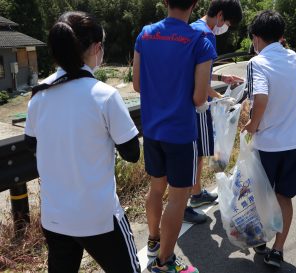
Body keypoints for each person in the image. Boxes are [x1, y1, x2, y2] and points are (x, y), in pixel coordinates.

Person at [24, 11, 141, 273]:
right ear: (97, 48)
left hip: (55, 217)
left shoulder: (39, 95)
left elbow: (31, 144)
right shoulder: (105, 96)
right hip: (99, 218)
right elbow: (131, 153)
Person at [132, 0, 216, 272]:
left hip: (153, 130)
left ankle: (154, 242)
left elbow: (137, 84)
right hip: (181, 132)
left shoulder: (145, 34)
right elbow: (199, 97)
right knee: (178, 198)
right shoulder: (200, 41)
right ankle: (165, 262)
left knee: (156, 189)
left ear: (166, 1)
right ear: (195, 3)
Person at [243, 10, 296, 268]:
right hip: (295, 141)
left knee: (261, 195)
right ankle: (278, 249)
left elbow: (260, 98)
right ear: (281, 36)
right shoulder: (292, 56)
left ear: (256, 37)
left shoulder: (256, 63)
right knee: (284, 197)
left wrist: (252, 124)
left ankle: (259, 239)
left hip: (268, 143)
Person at [185, 0, 243, 224]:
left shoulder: (192, 29)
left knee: (198, 151)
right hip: (198, 103)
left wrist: (222, 78)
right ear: (219, 16)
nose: (225, 27)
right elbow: (197, 80)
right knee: (196, 151)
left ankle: (197, 193)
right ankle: (191, 198)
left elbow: (197, 71)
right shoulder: (206, 36)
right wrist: (222, 98)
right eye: (227, 22)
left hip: (187, 101)